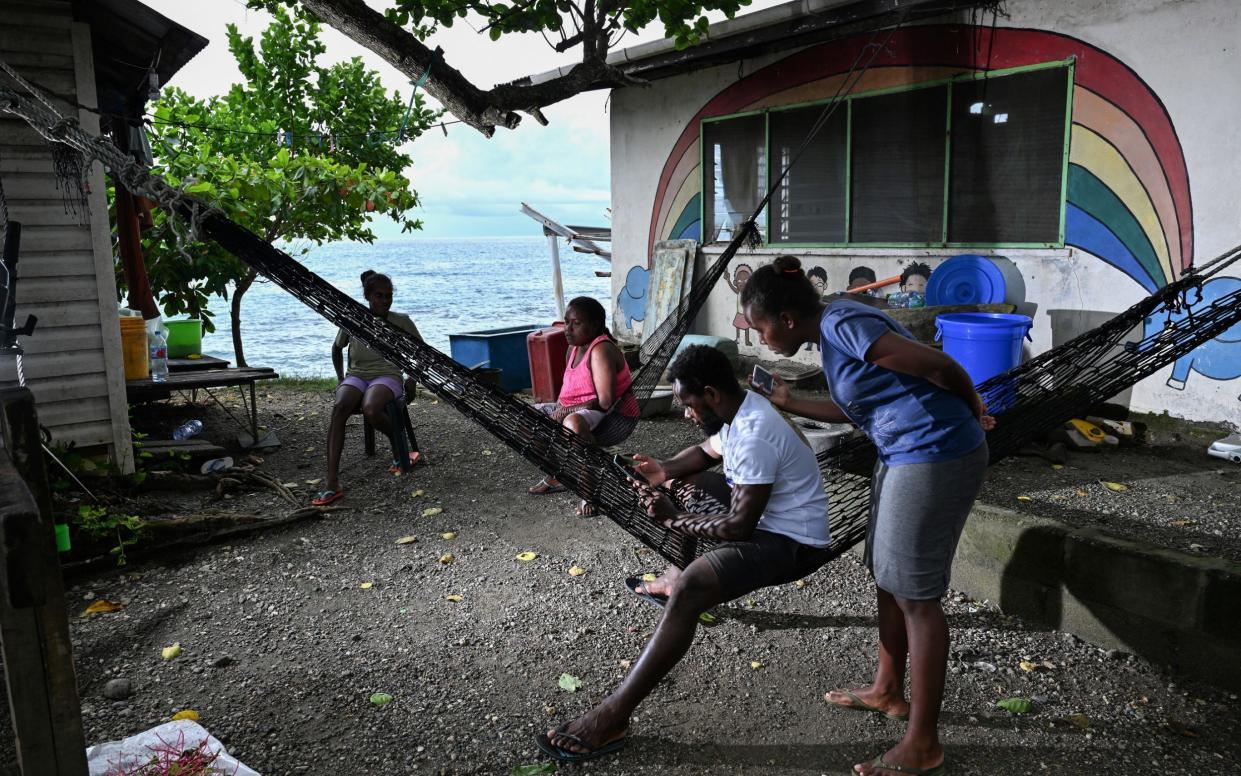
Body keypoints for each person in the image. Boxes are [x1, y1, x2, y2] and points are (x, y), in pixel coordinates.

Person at [740, 255, 994, 776]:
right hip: (901, 451)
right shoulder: (833, 332)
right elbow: (859, 408)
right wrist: (788, 400)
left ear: (787, 319)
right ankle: (886, 690)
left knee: (916, 596)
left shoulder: (843, 322)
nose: (761, 340)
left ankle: (923, 744)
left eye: (761, 327)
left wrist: (975, 407)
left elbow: (938, 365)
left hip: (935, 451)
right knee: (885, 574)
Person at [536, 344, 833, 763]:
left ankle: (612, 716)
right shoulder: (739, 410)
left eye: (688, 404)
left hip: (790, 543)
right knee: (685, 483)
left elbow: (738, 528)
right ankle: (675, 574)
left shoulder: (753, 435)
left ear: (711, 394)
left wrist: (673, 519)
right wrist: (665, 470)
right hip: (767, 521)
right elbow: (707, 452)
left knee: (693, 587)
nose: (686, 414)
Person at [312, 270, 422, 506]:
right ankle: (332, 482)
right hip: (357, 375)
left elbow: (421, 353)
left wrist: (411, 378)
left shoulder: (401, 321)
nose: (384, 301)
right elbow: (336, 348)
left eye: (388, 296)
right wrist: (341, 378)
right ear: (368, 296)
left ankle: (397, 444)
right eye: (379, 296)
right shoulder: (354, 319)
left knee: (371, 408)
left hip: (387, 375)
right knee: (340, 407)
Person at [527, 296, 640, 515]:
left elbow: (605, 401)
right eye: (566, 322)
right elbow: (570, 391)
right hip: (577, 410)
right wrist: (557, 410)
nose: (567, 329)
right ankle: (557, 475)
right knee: (526, 415)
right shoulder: (574, 348)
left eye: (575, 323)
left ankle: (590, 493)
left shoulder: (600, 350)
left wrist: (565, 411)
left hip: (613, 414)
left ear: (595, 325)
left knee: (573, 422)